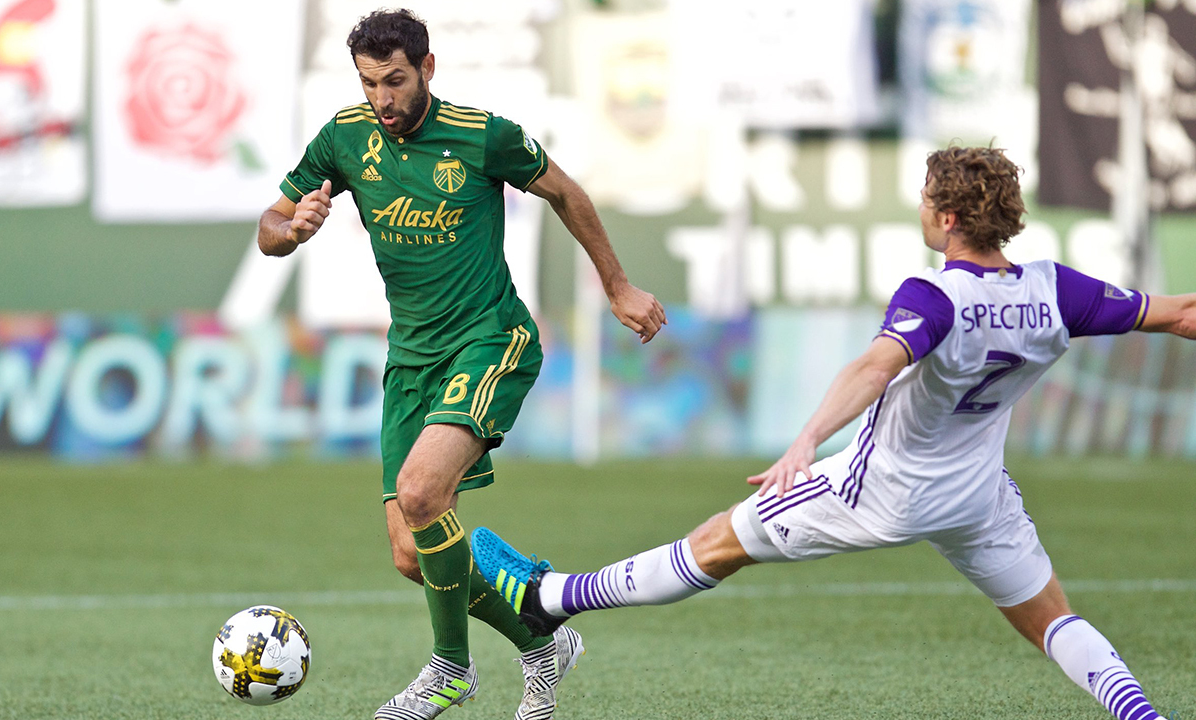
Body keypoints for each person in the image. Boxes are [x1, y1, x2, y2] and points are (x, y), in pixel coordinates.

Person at [472, 146, 1195, 720]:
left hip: (880, 488)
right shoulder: (1054, 289)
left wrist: (805, 440)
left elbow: (874, 366)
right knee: (1051, 619)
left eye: (924, 198)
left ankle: (550, 599)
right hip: (976, 497)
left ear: (945, 218)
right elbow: (1181, 313)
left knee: (719, 544)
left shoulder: (935, 294)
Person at [257, 9, 667, 720]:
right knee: (414, 556)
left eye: (394, 80)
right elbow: (269, 226)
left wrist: (618, 286)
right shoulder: (345, 138)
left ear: (427, 70)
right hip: (410, 360)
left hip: (490, 339)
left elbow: (567, 192)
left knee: (421, 493)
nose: (382, 99)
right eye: (369, 83)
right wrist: (291, 231)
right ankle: (541, 644)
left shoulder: (483, 136)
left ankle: (450, 670)